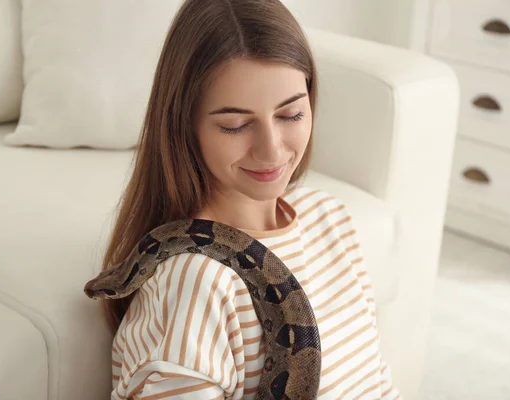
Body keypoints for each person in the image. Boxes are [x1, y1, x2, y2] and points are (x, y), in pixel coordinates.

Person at [98, 0, 402, 398]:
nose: (272, 151)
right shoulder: (195, 284)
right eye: (236, 125)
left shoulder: (330, 217)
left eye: (291, 114)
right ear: (182, 126)